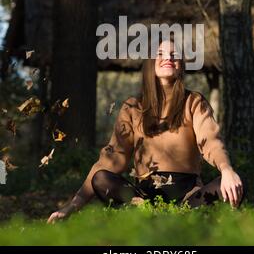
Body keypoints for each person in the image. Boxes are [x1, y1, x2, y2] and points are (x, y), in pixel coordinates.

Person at [47, 38, 243, 224]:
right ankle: (151, 216)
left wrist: (227, 170)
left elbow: (210, 140)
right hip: (144, 200)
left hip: (189, 198)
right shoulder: (133, 107)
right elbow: (111, 159)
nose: (169, 58)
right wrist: (72, 206)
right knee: (102, 178)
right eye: (160, 53)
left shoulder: (194, 102)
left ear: (181, 65)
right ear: (150, 63)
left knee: (233, 185)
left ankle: (178, 218)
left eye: (175, 54)